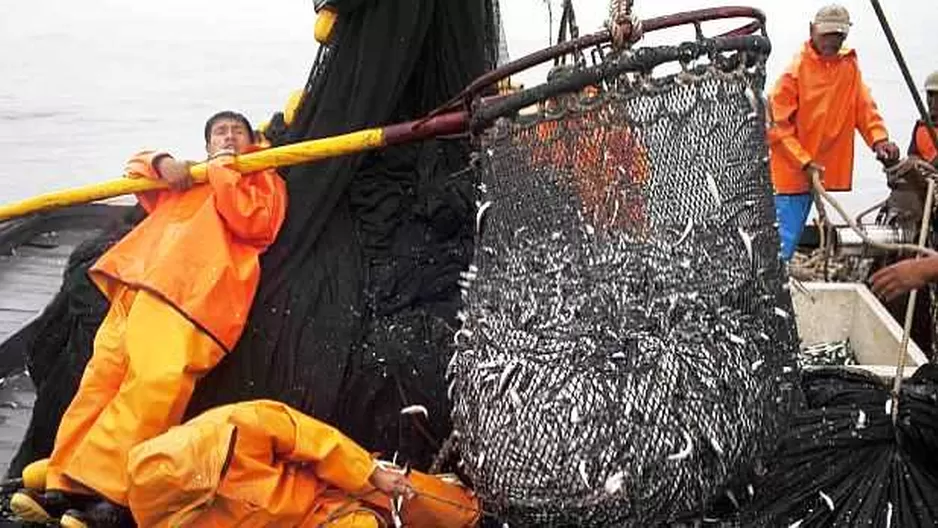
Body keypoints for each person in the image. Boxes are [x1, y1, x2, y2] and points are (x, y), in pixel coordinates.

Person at [10, 110, 288, 526]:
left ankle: (115, 498)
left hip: (193, 299)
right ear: (206, 143)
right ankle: (62, 485)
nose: (228, 137)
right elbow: (136, 168)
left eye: (237, 132)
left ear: (253, 142)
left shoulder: (263, 177)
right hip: (135, 290)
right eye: (219, 133)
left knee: (153, 390)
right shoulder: (188, 178)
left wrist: (226, 170)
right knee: (98, 385)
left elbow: (256, 224)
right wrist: (163, 162)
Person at [117, 399, 479, 527]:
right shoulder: (174, 521)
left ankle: (476, 516)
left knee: (437, 505)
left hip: (330, 486)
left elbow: (311, 439)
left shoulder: (232, 426)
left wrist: (370, 472)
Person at [768, 4, 900, 261]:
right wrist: (803, 162)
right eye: (827, 34)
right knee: (781, 245)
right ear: (812, 30)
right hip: (791, 177)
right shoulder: (792, 74)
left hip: (819, 172)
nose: (832, 41)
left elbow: (864, 107)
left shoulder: (848, 66)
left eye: (838, 35)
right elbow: (776, 128)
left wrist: (879, 139)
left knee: (787, 243)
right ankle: (765, 295)